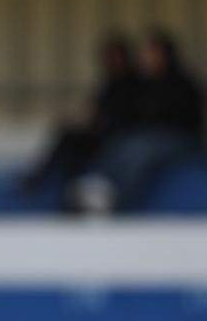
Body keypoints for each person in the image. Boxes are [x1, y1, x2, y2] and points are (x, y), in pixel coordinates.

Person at [71, 28, 205, 212]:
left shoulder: (182, 83)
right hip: (146, 138)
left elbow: (183, 121)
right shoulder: (142, 84)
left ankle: (117, 200)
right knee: (121, 144)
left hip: (180, 140)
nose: (146, 58)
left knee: (140, 151)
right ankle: (97, 188)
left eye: (151, 53)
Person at [20, 33, 140, 205]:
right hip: (102, 134)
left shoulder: (131, 83)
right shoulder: (111, 82)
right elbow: (95, 108)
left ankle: (41, 178)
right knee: (70, 144)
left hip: (118, 137)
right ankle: (63, 192)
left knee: (72, 142)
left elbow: (123, 115)